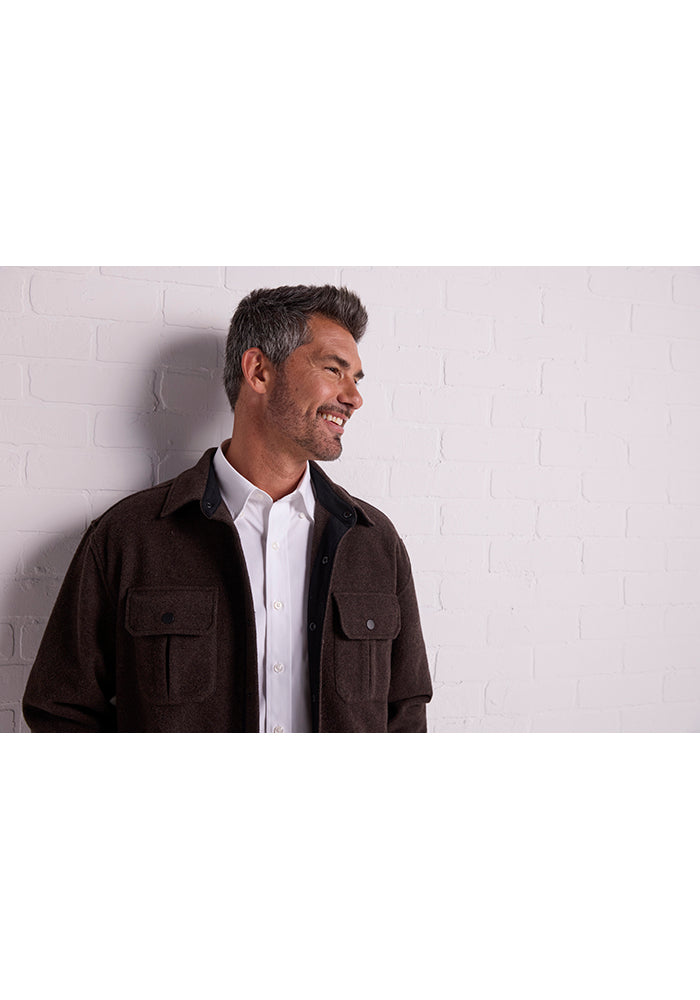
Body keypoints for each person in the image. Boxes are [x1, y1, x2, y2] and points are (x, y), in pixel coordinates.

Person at [22, 284, 433, 732]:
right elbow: (60, 711)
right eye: (334, 370)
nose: (353, 397)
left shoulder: (374, 543)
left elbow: (405, 713)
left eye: (356, 378)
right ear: (258, 371)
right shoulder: (128, 538)